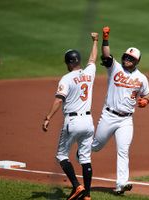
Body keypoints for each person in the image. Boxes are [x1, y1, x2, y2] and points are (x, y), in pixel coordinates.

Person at [91, 26, 149, 195]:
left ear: (137, 61)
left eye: (131, 58)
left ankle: (121, 185)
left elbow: (148, 93)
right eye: (126, 56)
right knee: (96, 147)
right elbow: (106, 55)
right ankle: (82, 150)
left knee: (123, 151)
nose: (127, 59)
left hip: (126, 120)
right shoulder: (115, 68)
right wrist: (105, 38)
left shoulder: (141, 78)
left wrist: (146, 100)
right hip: (108, 116)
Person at [42, 32, 99, 200]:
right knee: (85, 158)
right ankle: (87, 195)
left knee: (61, 155)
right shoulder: (90, 72)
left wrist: (47, 117)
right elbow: (93, 59)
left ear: (68, 63)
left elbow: (59, 100)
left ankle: (77, 186)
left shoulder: (66, 78)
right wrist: (95, 40)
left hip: (72, 122)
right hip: (88, 122)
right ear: (78, 61)